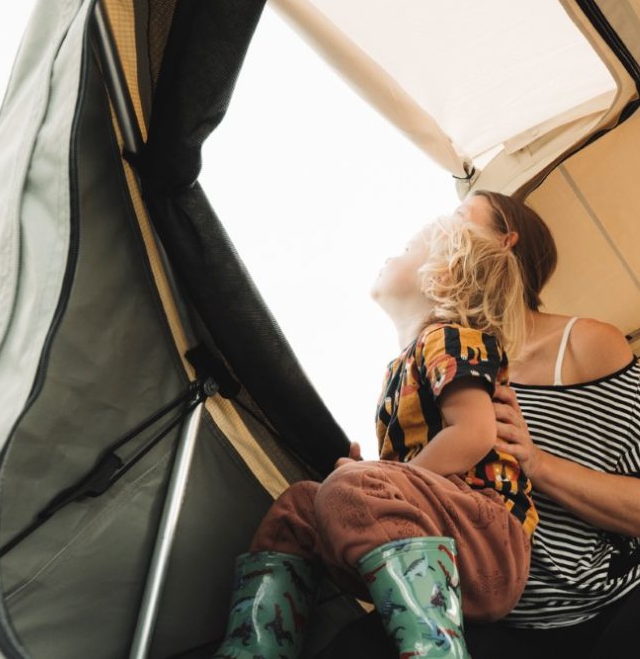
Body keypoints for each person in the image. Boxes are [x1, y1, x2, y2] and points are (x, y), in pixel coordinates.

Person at [316, 192, 640, 658]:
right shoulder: (437, 362)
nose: (437, 231)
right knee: (358, 646)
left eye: (457, 218)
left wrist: (535, 461)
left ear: (504, 241)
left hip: (605, 612)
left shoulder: (587, 345)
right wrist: (373, 480)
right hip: (482, 617)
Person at [209, 212, 537, 659]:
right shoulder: (403, 364)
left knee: (352, 485)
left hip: (488, 546)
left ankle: (434, 651)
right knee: (300, 505)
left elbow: (475, 434)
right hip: (445, 540)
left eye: (407, 249)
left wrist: (379, 479)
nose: (391, 255)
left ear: (442, 275)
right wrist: (374, 482)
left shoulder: (451, 339)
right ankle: (257, 648)